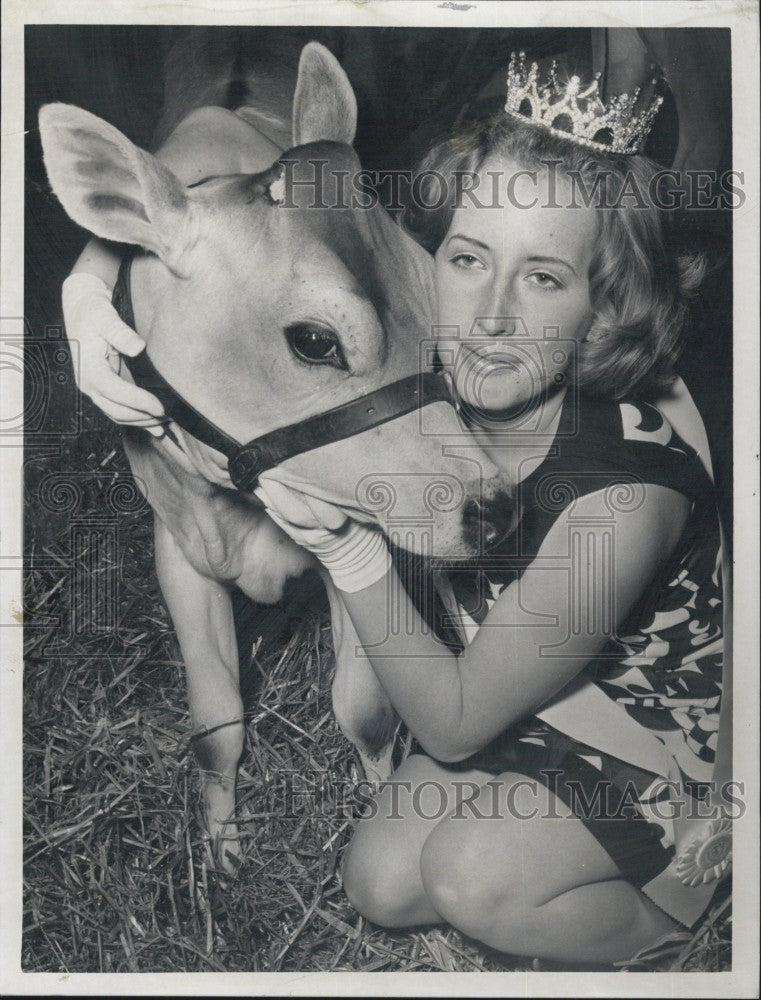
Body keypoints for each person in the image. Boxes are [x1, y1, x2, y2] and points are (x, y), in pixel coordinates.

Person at [61, 56, 730, 965]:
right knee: (377, 883)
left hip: (654, 739)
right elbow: (280, 226)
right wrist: (90, 277)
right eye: (465, 258)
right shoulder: (454, 361)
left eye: (543, 279)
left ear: (605, 304)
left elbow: (451, 720)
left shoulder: (622, 491)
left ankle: (690, 901)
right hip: (522, 701)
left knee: (471, 880)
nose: (488, 313)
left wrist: (344, 544)